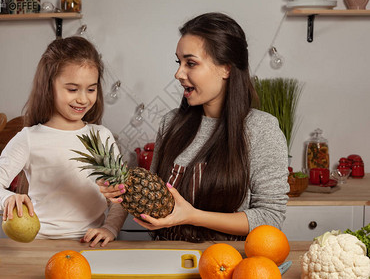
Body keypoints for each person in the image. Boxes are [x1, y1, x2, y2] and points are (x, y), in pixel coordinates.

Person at [100, 12, 289, 242]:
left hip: (225, 265)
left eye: (191, 63)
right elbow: (156, 204)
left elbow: (271, 217)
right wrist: (123, 192)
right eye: (179, 62)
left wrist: (193, 216)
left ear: (226, 68)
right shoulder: (170, 123)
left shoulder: (261, 129)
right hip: (166, 260)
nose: (178, 74)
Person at [0, 36, 127, 247]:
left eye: (91, 89)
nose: (83, 99)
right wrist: (6, 198)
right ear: (49, 86)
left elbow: (120, 197)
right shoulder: (29, 138)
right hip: (40, 244)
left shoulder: (101, 136)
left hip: (92, 245)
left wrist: (110, 228)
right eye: (72, 89)